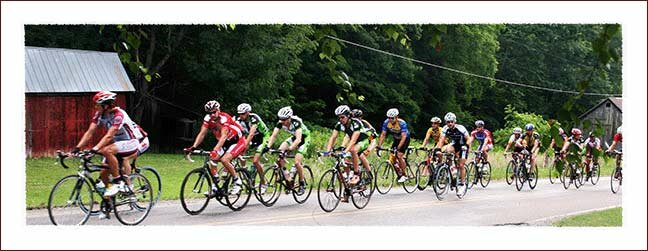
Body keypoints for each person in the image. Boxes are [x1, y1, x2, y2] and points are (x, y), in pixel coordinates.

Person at [73, 91, 149, 199]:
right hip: (118, 144)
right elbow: (90, 132)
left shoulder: (119, 115)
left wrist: (95, 149)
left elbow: (109, 136)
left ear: (106, 105)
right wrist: (77, 148)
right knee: (103, 173)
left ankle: (120, 182)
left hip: (131, 142)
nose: (95, 107)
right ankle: (109, 200)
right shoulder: (99, 115)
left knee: (109, 152)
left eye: (97, 105)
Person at [185, 100, 246, 195]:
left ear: (218, 110)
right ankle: (215, 185)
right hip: (226, 142)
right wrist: (193, 147)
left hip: (237, 140)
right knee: (212, 160)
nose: (212, 114)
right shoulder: (208, 119)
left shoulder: (225, 118)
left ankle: (237, 182)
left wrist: (215, 150)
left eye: (214, 112)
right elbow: (202, 134)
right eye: (210, 113)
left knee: (225, 160)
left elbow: (223, 137)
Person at [324, 105, 373, 202]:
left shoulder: (356, 123)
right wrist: (328, 150)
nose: (340, 119)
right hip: (354, 142)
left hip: (363, 141)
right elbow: (333, 137)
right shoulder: (339, 125)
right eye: (339, 117)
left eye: (342, 117)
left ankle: (356, 173)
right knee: (345, 162)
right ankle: (347, 191)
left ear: (348, 116)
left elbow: (353, 141)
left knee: (353, 150)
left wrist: (345, 152)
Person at [265, 106, 310, 194]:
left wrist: (290, 148)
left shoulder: (296, 122)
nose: (283, 122)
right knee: (280, 152)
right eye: (281, 119)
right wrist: (268, 146)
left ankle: (302, 183)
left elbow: (298, 140)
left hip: (304, 139)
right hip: (294, 138)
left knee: (297, 162)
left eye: (285, 119)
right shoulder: (280, 122)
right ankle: (288, 176)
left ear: (289, 118)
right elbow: (274, 135)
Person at [235, 103, 270, 194]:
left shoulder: (254, 118)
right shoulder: (239, 120)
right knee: (239, 153)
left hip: (263, 138)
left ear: (248, 113)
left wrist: (244, 145)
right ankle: (245, 171)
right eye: (239, 114)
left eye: (243, 113)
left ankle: (264, 182)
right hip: (253, 139)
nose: (241, 115)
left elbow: (251, 134)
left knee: (255, 161)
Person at [435, 112, 471, 187]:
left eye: (452, 122)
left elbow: (469, 139)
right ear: (446, 122)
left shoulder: (460, 128)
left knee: (461, 165)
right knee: (448, 149)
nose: (450, 124)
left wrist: (466, 146)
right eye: (448, 122)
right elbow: (441, 140)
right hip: (455, 144)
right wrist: (438, 149)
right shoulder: (445, 128)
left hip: (463, 145)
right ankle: (452, 169)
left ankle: (463, 183)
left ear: (455, 122)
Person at [378, 108, 411, 183]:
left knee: (399, 155)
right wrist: (379, 146)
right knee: (392, 157)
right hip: (396, 139)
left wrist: (399, 148)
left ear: (396, 117)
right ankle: (399, 172)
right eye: (389, 118)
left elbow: (403, 137)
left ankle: (404, 175)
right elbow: (383, 134)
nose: (390, 120)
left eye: (392, 118)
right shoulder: (386, 122)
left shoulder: (402, 123)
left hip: (405, 139)